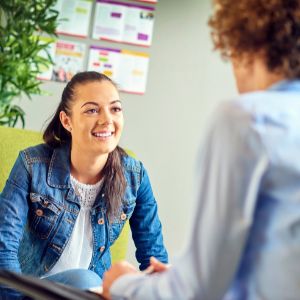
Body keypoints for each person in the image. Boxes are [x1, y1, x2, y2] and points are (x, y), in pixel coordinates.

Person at [102, 0, 300, 299]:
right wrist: (180, 278)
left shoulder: (248, 119)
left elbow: (196, 290)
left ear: (243, 46)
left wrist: (121, 283)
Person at [0, 71, 168, 299]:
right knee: (84, 280)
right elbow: (4, 245)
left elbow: (153, 256)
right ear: (67, 121)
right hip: (31, 292)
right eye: (92, 110)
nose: (107, 119)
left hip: (90, 294)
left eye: (115, 108)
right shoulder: (32, 164)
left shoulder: (134, 176)